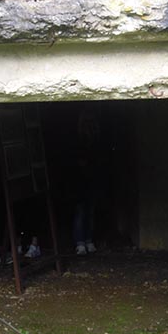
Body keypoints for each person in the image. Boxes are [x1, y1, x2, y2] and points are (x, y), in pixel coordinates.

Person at [73, 108, 100, 255]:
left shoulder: (95, 139)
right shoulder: (78, 139)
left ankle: (88, 240)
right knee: (81, 211)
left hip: (92, 180)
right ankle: (80, 242)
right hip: (79, 181)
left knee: (90, 211)